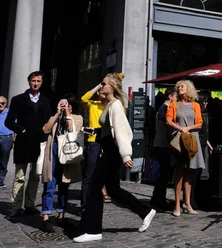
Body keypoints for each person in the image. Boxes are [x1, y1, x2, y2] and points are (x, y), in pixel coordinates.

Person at [74, 73, 156, 243]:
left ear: (112, 87)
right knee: (112, 189)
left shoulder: (116, 105)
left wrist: (126, 155)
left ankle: (93, 230)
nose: (101, 86)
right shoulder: (109, 104)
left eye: (103, 84)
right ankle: (145, 211)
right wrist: (94, 132)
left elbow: (122, 132)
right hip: (109, 150)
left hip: (113, 152)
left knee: (95, 187)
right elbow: (108, 130)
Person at [5, 71, 53, 218]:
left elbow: (49, 119)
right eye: (33, 81)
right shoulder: (18, 99)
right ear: (29, 81)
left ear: (42, 82)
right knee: (20, 175)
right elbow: (9, 121)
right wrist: (21, 129)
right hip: (23, 142)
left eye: (38, 81)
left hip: (40, 143)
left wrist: (46, 134)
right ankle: (16, 205)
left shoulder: (45, 100)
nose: (36, 83)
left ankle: (30, 205)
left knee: (35, 176)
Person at [40, 94, 83, 232]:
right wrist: (58, 113)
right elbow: (46, 129)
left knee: (64, 185)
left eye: (68, 105)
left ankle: (61, 215)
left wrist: (68, 114)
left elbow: (72, 130)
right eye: (64, 105)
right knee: (49, 184)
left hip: (67, 153)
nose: (66, 108)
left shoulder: (77, 117)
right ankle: (46, 217)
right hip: (53, 150)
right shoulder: (56, 117)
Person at [166, 79, 205, 217]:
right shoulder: (174, 105)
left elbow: (200, 123)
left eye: (181, 86)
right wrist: (180, 128)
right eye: (178, 87)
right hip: (180, 141)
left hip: (192, 140)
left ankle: (187, 203)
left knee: (190, 173)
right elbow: (168, 120)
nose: (179, 88)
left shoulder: (195, 105)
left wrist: (188, 128)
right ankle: (177, 204)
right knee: (179, 174)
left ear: (188, 88)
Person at [79, 83, 109, 209]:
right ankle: (85, 204)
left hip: (106, 140)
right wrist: (98, 86)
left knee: (102, 172)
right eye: (101, 92)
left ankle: (98, 198)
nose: (103, 92)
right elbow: (83, 99)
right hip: (94, 141)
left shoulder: (110, 106)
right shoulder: (92, 105)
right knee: (89, 173)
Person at [150, 87, 177, 211]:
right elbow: (166, 129)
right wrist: (170, 143)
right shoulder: (165, 109)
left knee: (164, 174)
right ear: (170, 97)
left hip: (160, 145)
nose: (177, 100)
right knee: (164, 174)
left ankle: (157, 198)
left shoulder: (162, 108)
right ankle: (159, 200)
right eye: (176, 97)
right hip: (162, 145)